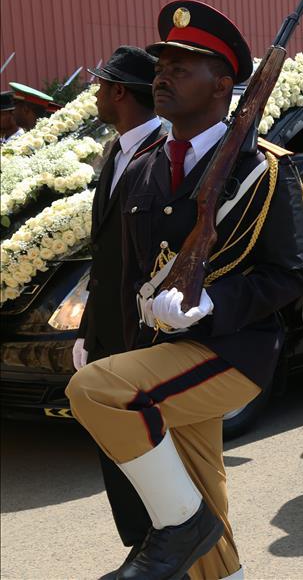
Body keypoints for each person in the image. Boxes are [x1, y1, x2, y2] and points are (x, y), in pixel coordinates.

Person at [66, 0, 303, 580]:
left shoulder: (265, 168)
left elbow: (289, 275)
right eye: (161, 66)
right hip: (158, 353)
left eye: (181, 67)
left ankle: (178, 530)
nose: (162, 77)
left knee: (95, 392)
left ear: (223, 83)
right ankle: (205, 549)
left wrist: (211, 303)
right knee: (198, 488)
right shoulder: (147, 163)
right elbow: (122, 267)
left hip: (231, 353)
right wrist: (94, 335)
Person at [72, 45, 166, 565]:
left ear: (119, 92)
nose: (96, 94)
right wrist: (88, 330)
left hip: (149, 333)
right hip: (110, 330)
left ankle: (166, 540)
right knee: (114, 447)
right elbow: (105, 254)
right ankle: (139, 543)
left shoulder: (165, 149)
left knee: (152, 447)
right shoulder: (116, 151)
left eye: (101, 86)